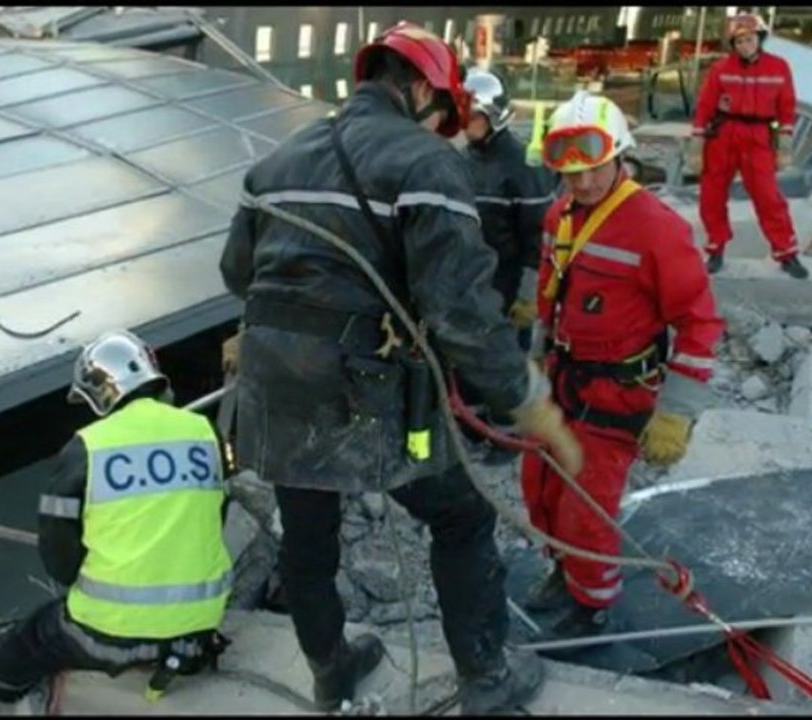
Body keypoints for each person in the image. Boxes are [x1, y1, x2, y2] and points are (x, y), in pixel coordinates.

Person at [219, 22, 583, 715]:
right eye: (442, 109)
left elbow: (237, 272)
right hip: (363, 389)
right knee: (461, 515)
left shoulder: (277, 161)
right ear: (419, 88)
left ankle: (330, 671)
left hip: (273, 384)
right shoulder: (424, 163)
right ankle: (485, 678)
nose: (447, 126)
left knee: (307, 532)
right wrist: (525, 401)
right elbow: (461, 314)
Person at [0, 330, 233, 715]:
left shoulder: (87, 447)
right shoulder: (204, 432)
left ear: (99, 393)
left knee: (33, 636)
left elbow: (59, 559)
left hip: (112, 636)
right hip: (198, 630)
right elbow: (216, 516)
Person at [521, 91, 724, 640]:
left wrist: (676, 412)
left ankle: (591, 604)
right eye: (570, 173)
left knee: (585, 507)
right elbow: (549, 295)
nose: (582, 183)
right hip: (563, 383)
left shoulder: (656, 227)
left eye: (593, 169)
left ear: (620, 156)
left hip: (616, 397)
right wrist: (535, 360)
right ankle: (565, 573)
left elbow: (700, 323)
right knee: (539, 486)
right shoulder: (559, 214)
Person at [685, 12, 808, 279]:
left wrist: (784, 142)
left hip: (759, 136)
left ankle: (786, 253)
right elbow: (705, 106)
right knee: (712, 194)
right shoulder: (721, 69)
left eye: (748, 39)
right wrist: (697, 143)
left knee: (768, 196)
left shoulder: (779, 67)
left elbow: (786, 105)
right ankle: (716, 248)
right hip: (723, 135)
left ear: (759, 38)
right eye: (738, 42)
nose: (744, 46)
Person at [461, 67, 558, 350]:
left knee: (506, 364)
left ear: (494, 115)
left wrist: (527, 296)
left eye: (474, 116)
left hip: (507, 286)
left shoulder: (523, 168)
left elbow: (538, 238)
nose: (467, 123)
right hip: (470, 286)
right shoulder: (458, 161)